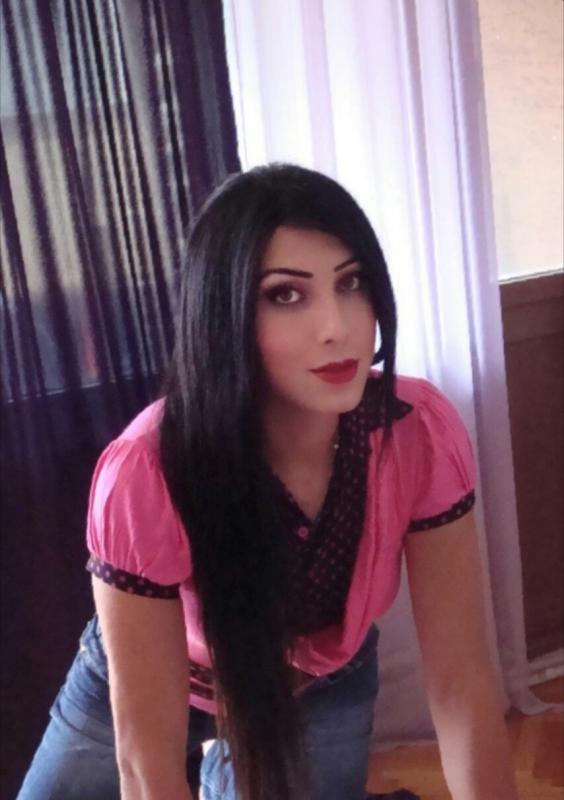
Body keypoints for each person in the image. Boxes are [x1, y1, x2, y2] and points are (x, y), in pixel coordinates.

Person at [18, 163, 518, 800]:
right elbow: (146, 769)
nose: (336, 325)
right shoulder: (148, 469)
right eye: (285, 295)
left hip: (317, 684)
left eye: (352, 282)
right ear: (222, 315)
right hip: (164, 673)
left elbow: (462, 682)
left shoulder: (416, 431)